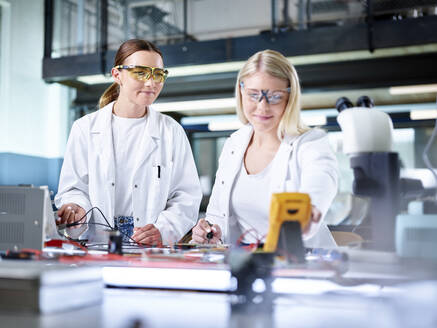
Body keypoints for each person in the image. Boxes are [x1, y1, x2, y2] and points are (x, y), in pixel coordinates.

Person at [55, 39, 202, 245]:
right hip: (97, 246)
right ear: (117, 75)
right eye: (140, 72)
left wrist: (163, 229)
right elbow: (74, 189)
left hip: (150, 250)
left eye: (158, 74)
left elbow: (187, 196)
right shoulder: (85, 128)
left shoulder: (171, 131)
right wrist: (77, 208)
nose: (151, 83)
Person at [192, 50, 338, 248]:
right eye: (253, 95)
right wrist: (209, 231)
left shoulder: (311, 144)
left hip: (300, 264)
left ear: (290, 97)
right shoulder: (234, 144)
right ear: (241, 91)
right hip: (243, 264)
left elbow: (320, 184)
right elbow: (218, 215)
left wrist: (310, 209)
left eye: (275, 96)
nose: (262, 106)